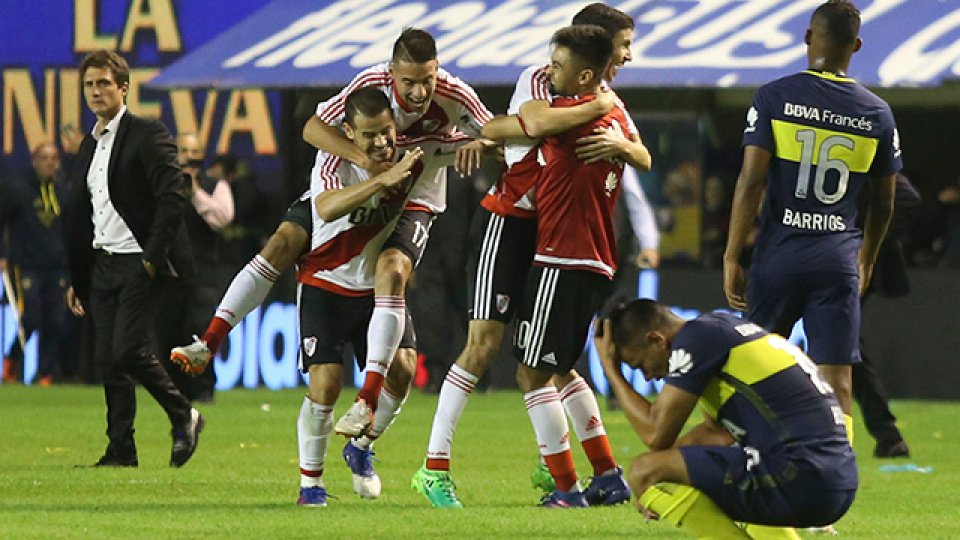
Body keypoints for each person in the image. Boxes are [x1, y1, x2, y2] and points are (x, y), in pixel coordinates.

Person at [171, 29, 493, 410]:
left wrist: (482, 142)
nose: (420, 92)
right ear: (392, 74)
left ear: (438, 70)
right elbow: (313, 128)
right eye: (410, 82)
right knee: (283, 241)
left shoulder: (456, 95)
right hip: (359, 185)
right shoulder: (370, 86)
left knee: (392, 269)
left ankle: (368, 403)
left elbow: (500, 135)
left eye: (428, 80)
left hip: (414, 199)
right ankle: (208, 342)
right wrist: (369, 165)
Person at [412, 4, 650, 509]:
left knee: (550, 363)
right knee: (485, 346)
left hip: (559, 238)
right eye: (624, 45)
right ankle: (435, 466)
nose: (628, 55)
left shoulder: (608, 100)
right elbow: (532, 123)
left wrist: (620, 143)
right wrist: (595, 111)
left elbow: (643, 153)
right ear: (599, 48)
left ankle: (588, 474)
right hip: (512, 221)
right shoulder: (544, 79)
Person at [723, 0, 899, 446]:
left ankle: (750, 471)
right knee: (837, 379)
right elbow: (884, 202)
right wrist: (867, 258)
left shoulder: (774, 97)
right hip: (836, 258)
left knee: (753, 367)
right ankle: (832, 490)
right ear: (856, 46)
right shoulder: (876, 112)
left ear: (807, 37)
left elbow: (751, 180)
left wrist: (731, 254)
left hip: (779, 256)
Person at [292, 87, 470, 506]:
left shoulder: (412, 155)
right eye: (369, 135)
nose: (381, 142)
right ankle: (311, 484)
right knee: (326, 384)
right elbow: (326, 207)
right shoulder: (332, 160)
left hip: (374, 288)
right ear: (349, 134)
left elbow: (467, 140)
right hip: (326, 280)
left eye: (387, 132)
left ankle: (363, 445)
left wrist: (479, 142)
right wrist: (380, 180)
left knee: (405, 369)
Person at [594, 299, 856, 538]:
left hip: (799, 475)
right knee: (656, 471)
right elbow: (716, 432)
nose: (648, 376)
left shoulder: (696, 340)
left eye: (640, 366)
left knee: (642, 471)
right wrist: (661, 474)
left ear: (657, 340)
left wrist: (611, 370)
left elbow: (656, 433)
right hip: (835, 480)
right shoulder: (720, 328)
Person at [63, 50, 203, 468]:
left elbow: (172, 196)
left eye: (104, 83)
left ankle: (184, 415)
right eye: (89, 85)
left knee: (126, 349)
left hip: (139, 260)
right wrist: (80, 276)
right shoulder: (90, 143)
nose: (96, 91)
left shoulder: (147, 132)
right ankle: (121, 448)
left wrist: (152, 258)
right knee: (108, 359)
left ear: (124, 87)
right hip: (103, 262)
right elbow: (88, 211)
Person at [157, 133, 234, 402]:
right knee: (168, 332)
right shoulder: (163, 184)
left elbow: (223, 218)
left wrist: (196, 193)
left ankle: (203, 391)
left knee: (200, 332)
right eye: (184, 151)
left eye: (195, 151)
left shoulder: (214, 185)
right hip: (170, 273)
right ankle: (175, 392)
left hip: (203, 274)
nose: (190, 157)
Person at [855, 172, 918, 458]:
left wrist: (864, 250)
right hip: (818, 261)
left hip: (842, 266)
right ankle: (887, 434)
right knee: (844, 346)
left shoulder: (860, 154)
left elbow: (905, 197)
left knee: (843, 345)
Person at [0, 142, 74, 385]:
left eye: (54, 158)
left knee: (55, 320)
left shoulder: (63, 192)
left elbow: (71, 231)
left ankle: (45, 372)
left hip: (58, 266)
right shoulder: (18, 190)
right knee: (30, 317)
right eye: (45, 158)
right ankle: (12, 361)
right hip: (28, 265)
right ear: (34, 161)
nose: (50, 163)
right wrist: (3, 255)